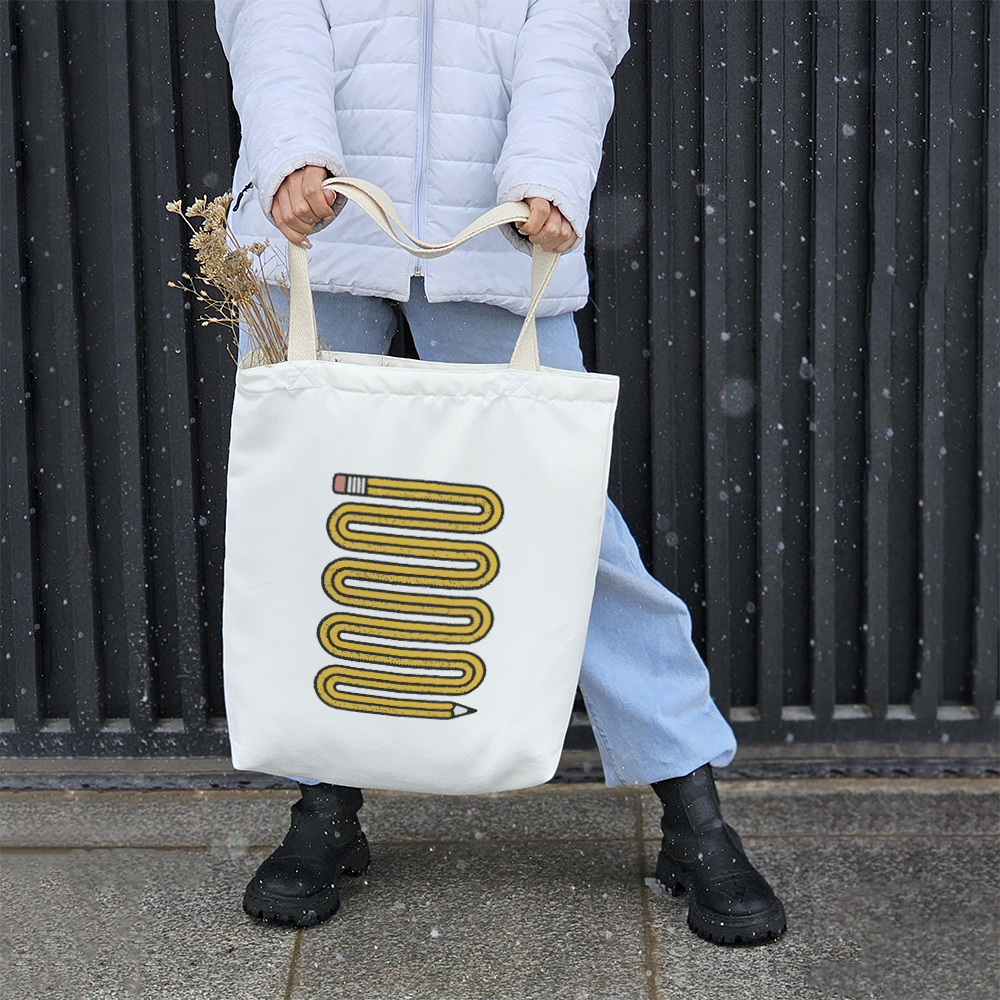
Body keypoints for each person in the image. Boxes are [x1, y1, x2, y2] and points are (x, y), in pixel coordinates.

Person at [215, 0, 786, 946]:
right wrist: (292, 153)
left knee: (569, 531)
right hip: (315, 229)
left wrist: (548, 174)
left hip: (496, 233)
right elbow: (272, 15)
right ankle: (323, 803)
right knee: (314, 530)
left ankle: (693, 813)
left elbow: (573, 28)